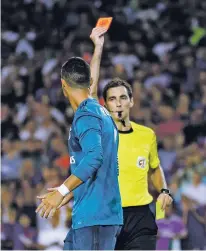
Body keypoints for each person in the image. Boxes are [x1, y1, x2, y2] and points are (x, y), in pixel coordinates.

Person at [88, 28, 173, 250]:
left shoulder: (147, 134)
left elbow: (154, 168)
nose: (118, 103)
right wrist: (98, 47)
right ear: (105, 105)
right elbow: (90, 90)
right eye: (112, 99)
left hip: (141, 217)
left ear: (131, 102)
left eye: (123, 98)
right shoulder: (100, 131)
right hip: (107, 217)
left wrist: (164, 191)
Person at [35, 37, 123, 250]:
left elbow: (94, 157)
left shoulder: (86, 117)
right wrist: (98, 47)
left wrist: (62, 191)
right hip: (92, 214)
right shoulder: (100, 112)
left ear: (63, 85)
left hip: (95, 217)